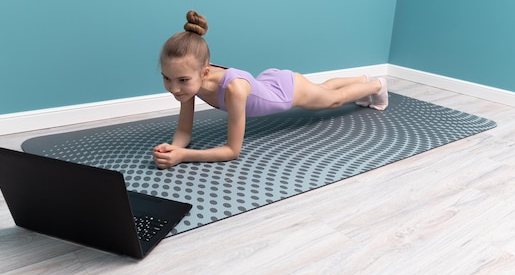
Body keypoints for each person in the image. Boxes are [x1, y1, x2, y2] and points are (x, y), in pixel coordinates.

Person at [152, 10, 388, 169]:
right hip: (267, 82)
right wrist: (173, 147)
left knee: (334, 100)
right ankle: (361, 78)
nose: (174, 88)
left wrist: (184, 156)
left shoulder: (232, 88)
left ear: (204, 72)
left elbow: (232, 150)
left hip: (285, 93)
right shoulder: (189, 82)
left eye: (181, 80)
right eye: (167, 78)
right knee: (323, 88)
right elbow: (185, 131)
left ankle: (377, 85)